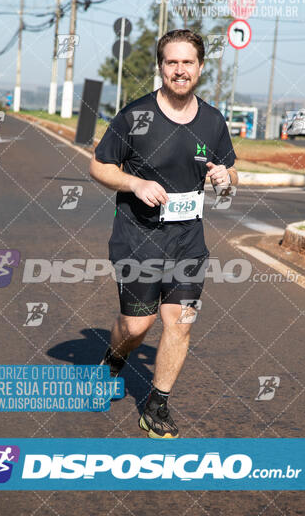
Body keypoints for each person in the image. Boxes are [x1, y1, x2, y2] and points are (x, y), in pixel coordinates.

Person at [89, 29, 238, 438]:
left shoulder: (212, 121)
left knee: (181, 322)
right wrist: (134, 184)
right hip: (138, 236)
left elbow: (230, 172)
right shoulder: (135, 116)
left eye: (187, 62)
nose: (179, 70)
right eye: (171, 62)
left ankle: (157, 404)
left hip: (188, 240)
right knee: (138, 327)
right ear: (161, 67)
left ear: (200, 67)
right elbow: (100, 165)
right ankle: (114, 359)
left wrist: (226, 178)